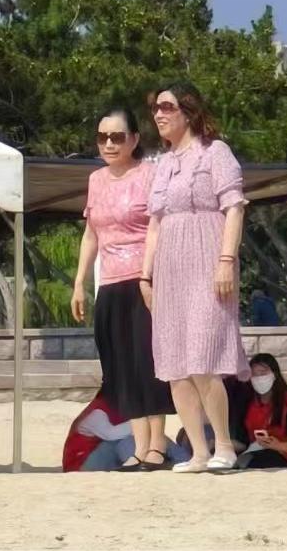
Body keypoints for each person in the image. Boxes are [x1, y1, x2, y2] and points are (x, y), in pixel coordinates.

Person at [141, 81, 249, 473]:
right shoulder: (163, 163)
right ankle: (198, 452)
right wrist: (145, 276)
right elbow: (155, 223)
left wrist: (226, 260)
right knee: (175, 364)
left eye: (167, 106)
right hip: (169, 269)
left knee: (203, 358)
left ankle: (225, 446)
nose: (159, 114)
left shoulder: (215, 152)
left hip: (207, 262)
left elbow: (234, 207)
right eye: (156, 108)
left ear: (188, 112)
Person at [71, 106, 174, 471]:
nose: (109, 144)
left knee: (148, 362)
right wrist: (80, 283)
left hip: (144, 280)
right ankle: (139, 445)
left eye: (117, 137)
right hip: (110, 283)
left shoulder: (150, 173)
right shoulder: (96, 180)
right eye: (103, 137)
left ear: (134, 139)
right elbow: (91, 234)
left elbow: (158, 227)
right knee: (122, 368)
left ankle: (157, 445)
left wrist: (149, 277)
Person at [62, 392, 188, 473]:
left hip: (95, 458)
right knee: (129, 440)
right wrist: (147, 427)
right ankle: (181, 458)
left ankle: (180, 457)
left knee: (142, 438)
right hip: (81, 464)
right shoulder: (97, 412)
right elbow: (112, 434)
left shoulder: (116, 408)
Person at [236, 353, 287, 469]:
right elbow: (244, 438)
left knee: (258, 462)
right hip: (255, 449)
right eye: (254, 374)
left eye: (263, 373)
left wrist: (278, 446)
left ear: (274, 374)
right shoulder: (248, 402)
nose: (259, 378)